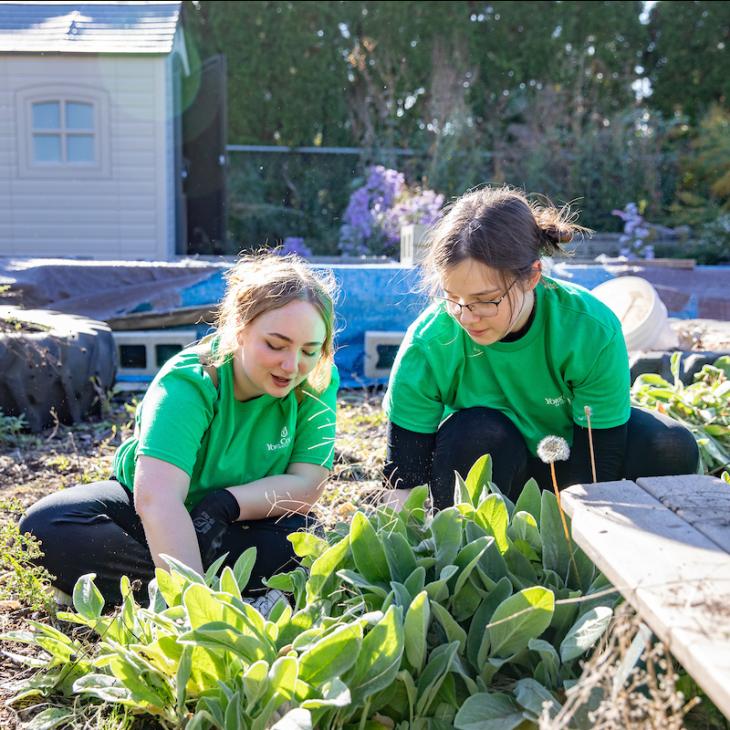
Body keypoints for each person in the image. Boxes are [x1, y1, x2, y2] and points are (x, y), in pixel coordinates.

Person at [20, 253, 339, 605]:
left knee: (302, 541)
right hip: (148, 517)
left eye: (310, 350)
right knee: (47, 526)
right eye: (275, 345)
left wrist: (225, 505)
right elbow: (157, 499)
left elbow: (307, 484)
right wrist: (192, 610)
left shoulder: (315, 381)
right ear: (240, 330)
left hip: (236, 520)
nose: (292, 365)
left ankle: (131, 590)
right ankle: (214, 593)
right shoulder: (190, 382)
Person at [382, 186, 699, 510]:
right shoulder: (429, 343)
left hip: (572, 465)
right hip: (488, 473)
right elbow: (404, 478)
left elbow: (599, 459)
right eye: (452, 297)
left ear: (532, 276)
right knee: (475, 431)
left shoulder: (588, 329)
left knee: (670, 445)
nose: (466, 315)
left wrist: (566, 539)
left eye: (485, 300)